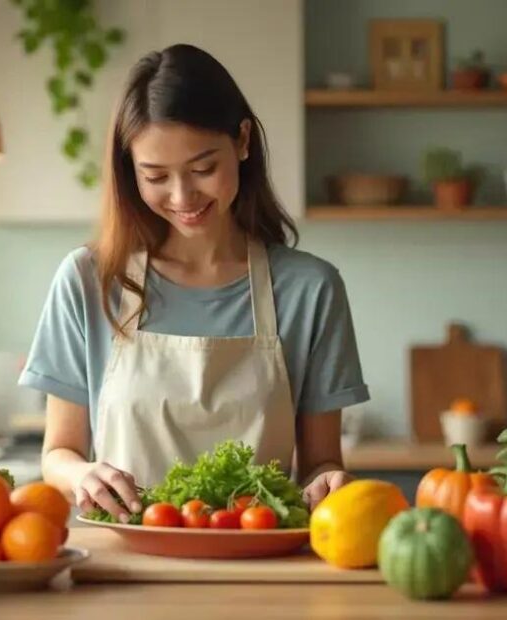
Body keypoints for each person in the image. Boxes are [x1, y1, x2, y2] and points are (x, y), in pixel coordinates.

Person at [18, 43, 369, 523]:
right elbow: (58, 453)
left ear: (243, 141)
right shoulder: (88, 280)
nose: (183, 196)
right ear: (130, 171)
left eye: (203, 169)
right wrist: (81, 476)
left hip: (259, 563)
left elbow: (320, 465)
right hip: (125, 564)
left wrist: (330, 481)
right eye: (156, 176)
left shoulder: (311, 289)